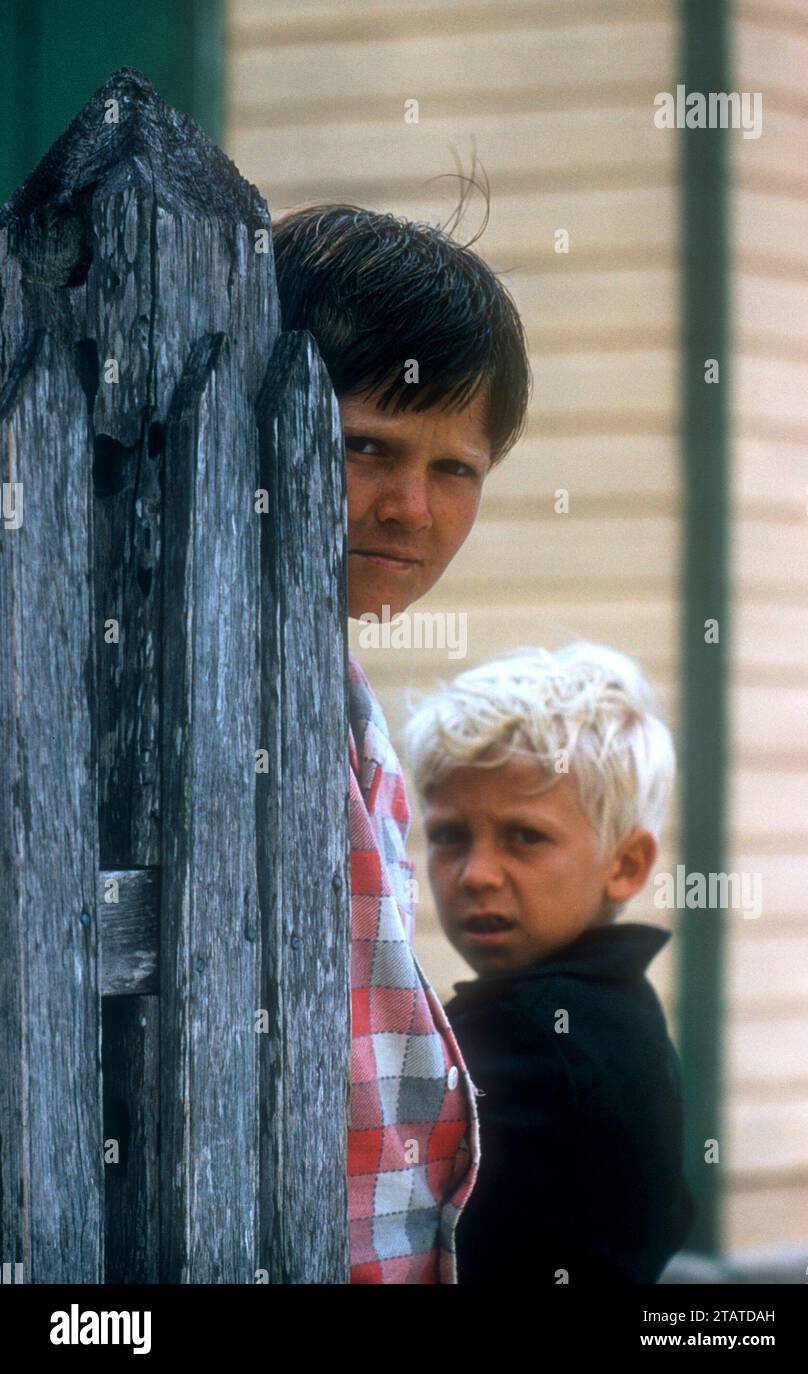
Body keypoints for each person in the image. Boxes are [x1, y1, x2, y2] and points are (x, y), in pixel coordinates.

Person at [270, 198, 532, 1283]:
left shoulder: (345, 694)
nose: (409, 508)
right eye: (365, 447)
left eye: (455, 468)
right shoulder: (202, 688)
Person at [403, 641, 697, 1283]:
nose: (476, 874)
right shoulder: (619, 1009)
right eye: (450, 835)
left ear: (625, 866)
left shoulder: (526, 1033)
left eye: (524, 837)